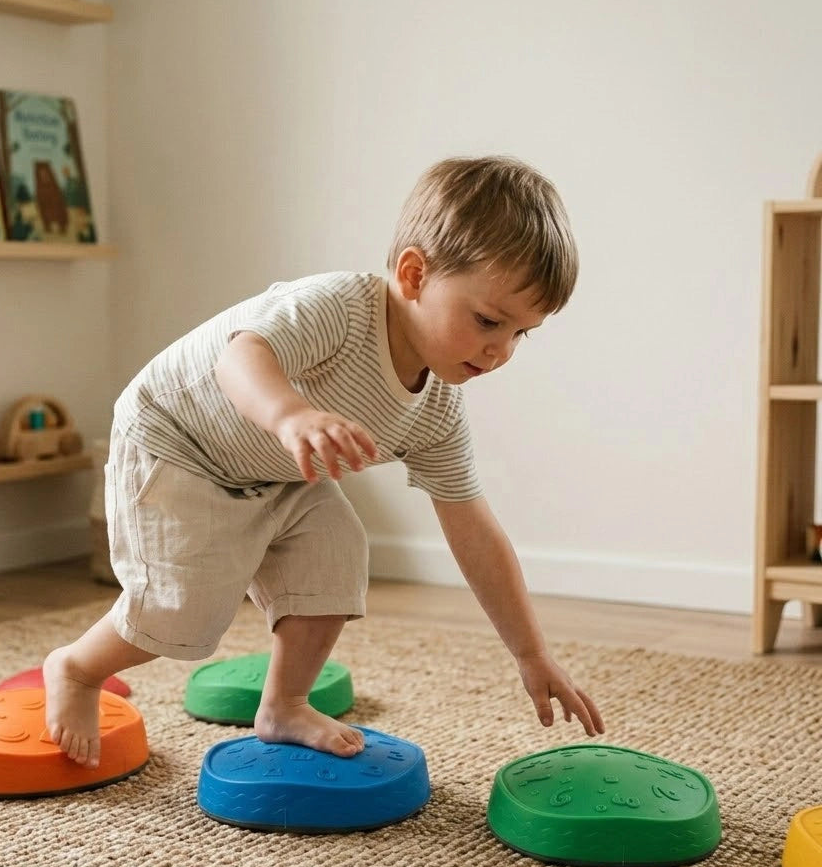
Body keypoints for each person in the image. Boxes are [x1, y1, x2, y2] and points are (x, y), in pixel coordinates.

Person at [44, 155, 605, 768]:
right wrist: (291, 415)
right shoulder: (338, 308)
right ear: (414, 274)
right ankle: (75, 668)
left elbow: (474, 529)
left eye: (522, 333)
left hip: (276, 472)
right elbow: (241, 357)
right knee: (182, 610)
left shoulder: (437, 409)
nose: (501, 352)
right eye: (489, 321)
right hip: (177, 441)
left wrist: (530, 653)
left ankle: (284, 704)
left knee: (337, 554)